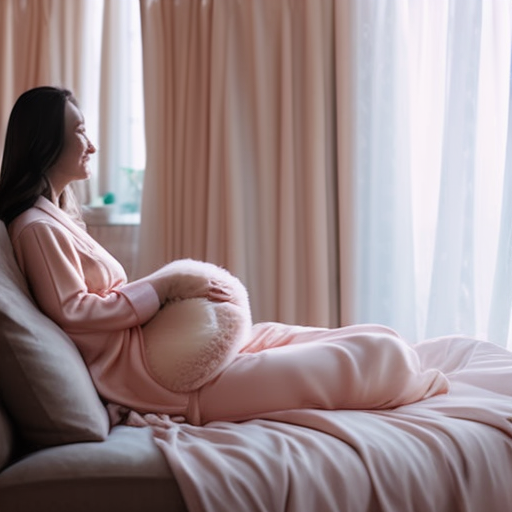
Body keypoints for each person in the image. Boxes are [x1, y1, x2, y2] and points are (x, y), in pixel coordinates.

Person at [0, 86, 449, 426]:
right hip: (160, 379)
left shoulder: (52, 219)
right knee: (370, 356)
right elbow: (73, 311)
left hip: (169, 357)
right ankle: (403, 371)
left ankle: (403, 361)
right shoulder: (36, 228)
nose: (91, 144)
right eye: (79, 132)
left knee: (361, 338)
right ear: (46, 143)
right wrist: (164, 287)